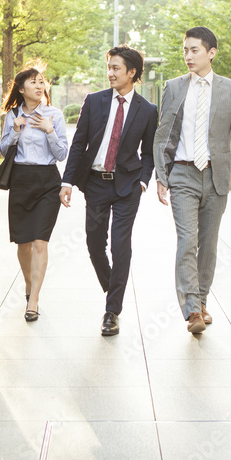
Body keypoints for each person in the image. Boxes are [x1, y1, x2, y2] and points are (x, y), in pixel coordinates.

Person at [154, 26, 231, 334]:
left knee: (208, 244)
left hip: (217, 175)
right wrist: (161, 174)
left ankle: (202, 300)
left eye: (194, 50)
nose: (188, 56)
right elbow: (163, 133)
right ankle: (192, 309)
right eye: (184, 50)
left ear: (211, 52)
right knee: (187, 241)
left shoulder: (230, 88)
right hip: (182, 172)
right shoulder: (173, 87)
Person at [60, 46, 157, 336]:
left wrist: (143, 181)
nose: (110, 73)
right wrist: (66, 181)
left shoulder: (148, 110)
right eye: (109, 67)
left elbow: (149, 152)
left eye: (116, 68)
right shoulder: (94, 101)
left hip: (128, 186)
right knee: (94, 243)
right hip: (96, 183)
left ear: (132, 73)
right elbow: (78, 144)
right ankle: (112, 287)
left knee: (120, 244)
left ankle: (111, 310)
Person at [0, 66, 68, 321]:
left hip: (47, 181)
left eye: (42, 82)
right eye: (33, 82)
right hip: (21, 180)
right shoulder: (11, 116)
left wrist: (49, 130)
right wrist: (15, 131)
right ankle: (29, 284)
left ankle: (34, 299)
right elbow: (4, 150)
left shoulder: (54, 115)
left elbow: (62, 154)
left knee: (40, 241)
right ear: (21, 88)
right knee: (23, 242)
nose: (39, 86)